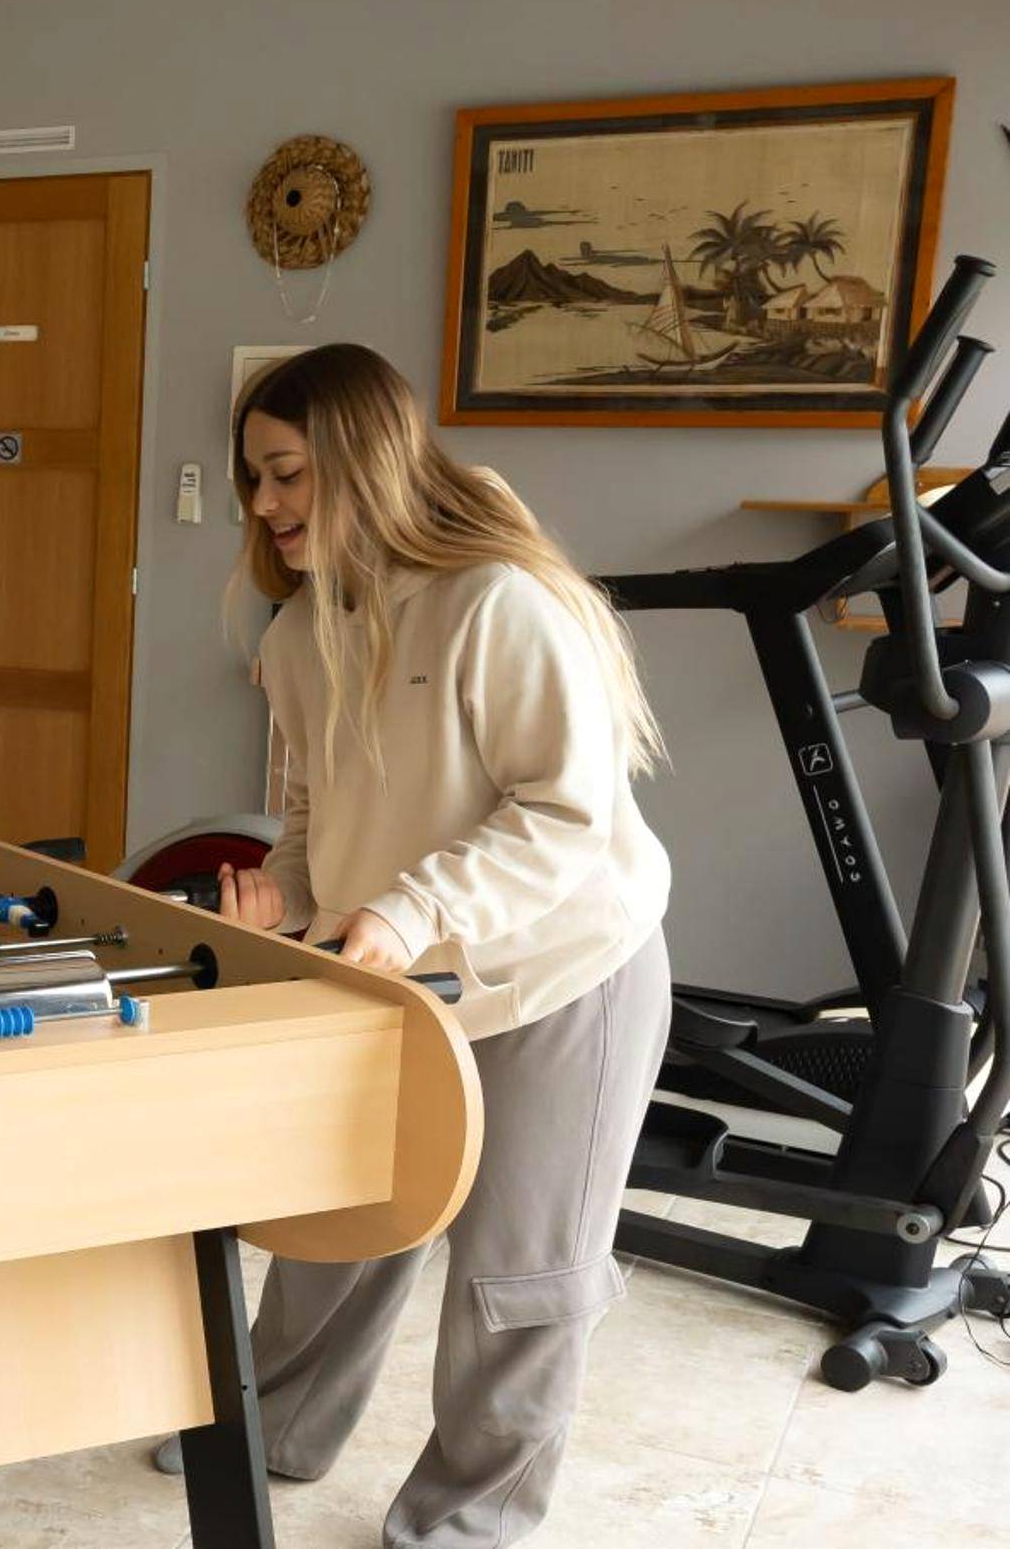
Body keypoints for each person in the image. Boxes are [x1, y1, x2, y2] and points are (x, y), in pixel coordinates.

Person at [159, 344, 672, 1549]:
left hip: (562, 976)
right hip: (403, 971)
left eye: (284, 474)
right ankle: (271, 1427)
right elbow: (303, 816)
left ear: (360, 458)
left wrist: (405, 911)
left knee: (519, 1277)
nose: (265, 505)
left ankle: (468, 1521)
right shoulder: (298, 633)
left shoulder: (501, 600)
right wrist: (283, 898)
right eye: (253, 482)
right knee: (339, 1226)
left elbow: (562, 814)